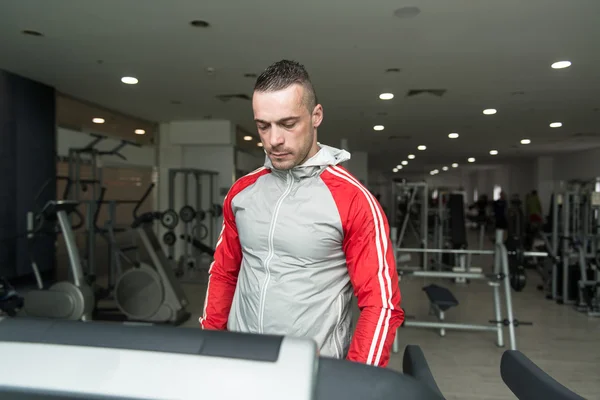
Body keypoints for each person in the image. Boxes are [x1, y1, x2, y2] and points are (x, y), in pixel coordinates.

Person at [199, 60, 404, 367]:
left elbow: (381, 304)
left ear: (316, 116)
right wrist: (210, 346)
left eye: (288, 124)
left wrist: (357, 380)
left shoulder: (353, 201)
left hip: (312, 372)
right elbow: (224, 273)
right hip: (241, 361)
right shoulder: (242, 192)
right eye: (263, 126)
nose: (273, 140)